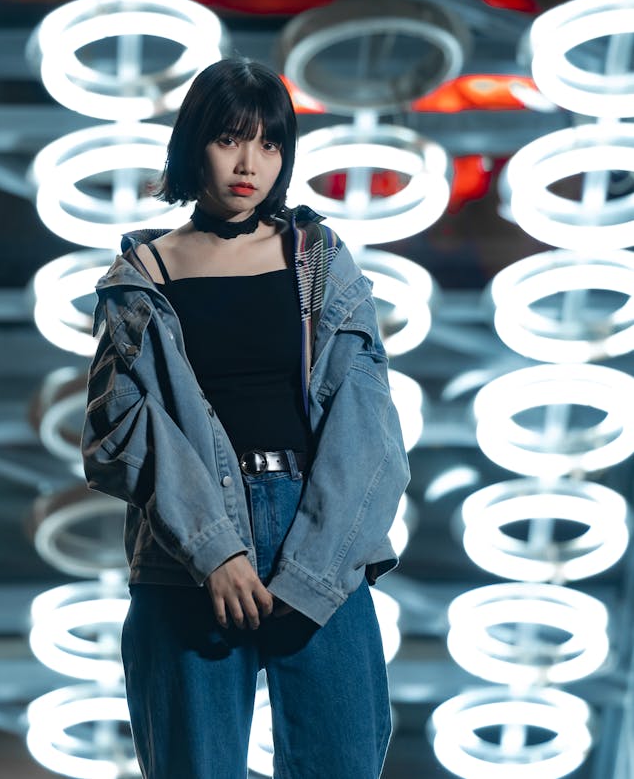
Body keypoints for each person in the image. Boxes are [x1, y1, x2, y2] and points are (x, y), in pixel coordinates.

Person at [82, 57, 410, 779]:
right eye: (230, 138)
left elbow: (369, 422)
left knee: (345, 761)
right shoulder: (141, 277)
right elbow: (120, 431)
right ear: (193, 142)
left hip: (316, 529)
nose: (249, 162)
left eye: (269, 144)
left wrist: (315, 571)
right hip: (184, 553)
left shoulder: (318, 259)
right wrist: (215, 550)